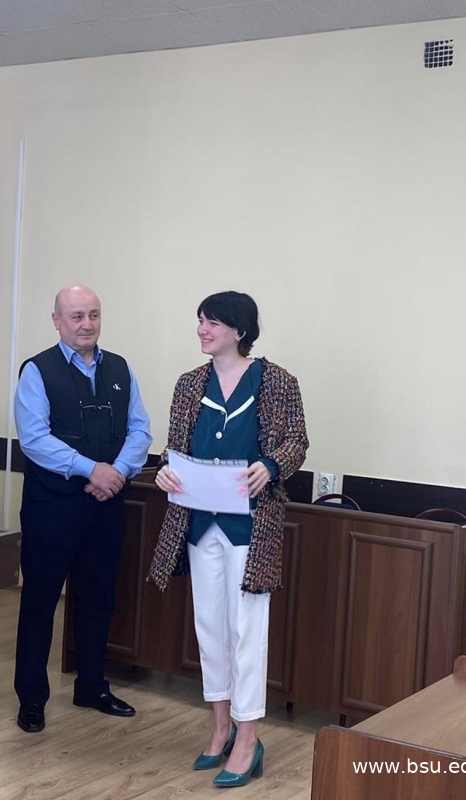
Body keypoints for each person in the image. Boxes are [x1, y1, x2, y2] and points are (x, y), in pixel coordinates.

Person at [149, 290, 308, 788]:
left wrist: (272, 465)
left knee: (246, 631)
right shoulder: (188, 384)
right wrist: (165, 470)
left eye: (212, 322)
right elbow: (175, 448)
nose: (202, 329)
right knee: (210, 628)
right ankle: (219, 727)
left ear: (239, 330)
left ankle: (248, 737)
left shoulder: (276, 381)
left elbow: (296, 440)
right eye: (200, 320)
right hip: (199, 521)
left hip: (251, 525)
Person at [13, 285, 152, 734]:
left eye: (93, 314)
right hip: (52, 507)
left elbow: (140, 430)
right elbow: (34, 439)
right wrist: (92, 469)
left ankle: (92, 686)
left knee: (98, 598)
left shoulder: (120, 368)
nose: (86, 324)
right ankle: (32, 698)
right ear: (57, 321)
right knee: (39, 603)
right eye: (76, 316)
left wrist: (117, 472)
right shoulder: (37, 371)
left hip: (106, 505)